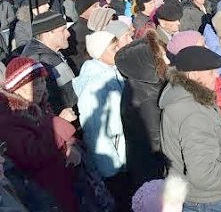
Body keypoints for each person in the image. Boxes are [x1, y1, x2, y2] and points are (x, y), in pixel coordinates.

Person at [159, 46, 221, 212]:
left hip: (194, 196)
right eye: (211, 72)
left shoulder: (179, 94)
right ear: (194, 75)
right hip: (208, 201)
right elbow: (203, 175)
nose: (217, 76)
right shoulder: (194, 113)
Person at [0, 57, 80, 212]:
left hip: (62, 185)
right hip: (44, 194)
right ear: (17, 85)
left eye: (42, 81)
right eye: (34, 83)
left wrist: (69, 145)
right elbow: (32, 154)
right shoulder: (9, 116)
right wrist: (59, 125)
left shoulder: (39, 105)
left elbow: (56, 139)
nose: (40, 88)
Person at [73, 31, 128, 209]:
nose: (118, 51)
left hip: (123, 155)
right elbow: (96, 131)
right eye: (113, 49)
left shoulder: (114, 72)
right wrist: (111, 169)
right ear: (100, 53)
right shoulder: (95, 84)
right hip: (114, 163)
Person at [115, 30, 168, 189]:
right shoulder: (143, 97)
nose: (167, 59)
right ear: (147, 63)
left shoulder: (147, 84)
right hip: (152, 170)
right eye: (161, 56)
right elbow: (156, 141)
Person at [21, 11, 78, 117]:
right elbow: (46, 100)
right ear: (48, 33)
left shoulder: (49, 53)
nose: (68, 33)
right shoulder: (39, 60)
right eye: (63, 30)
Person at [67, 0, 99, 73]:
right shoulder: (76, 31)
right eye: (95, 6)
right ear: (84, 10)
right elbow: (76, 58)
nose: (99, 8)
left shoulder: (93, 25)